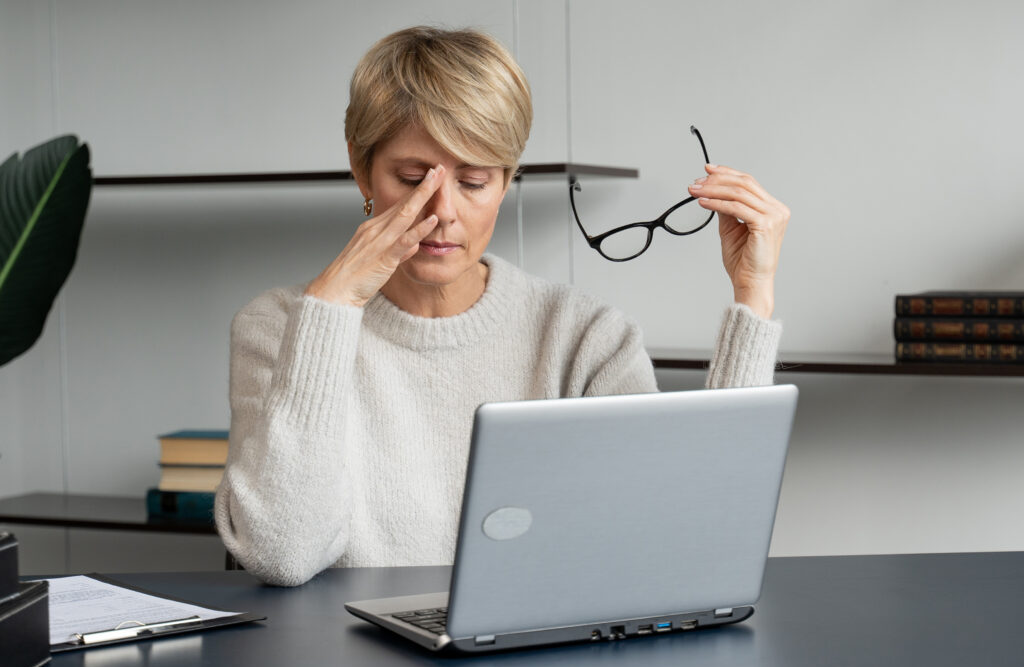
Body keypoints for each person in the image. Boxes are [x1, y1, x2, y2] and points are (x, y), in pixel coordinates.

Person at [214, 26, 790, 587]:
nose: (442, 212)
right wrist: (332, 307)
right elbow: (283, 553)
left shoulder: (586, 336)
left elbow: (688, 544)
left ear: (508, 180)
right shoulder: (279, 325)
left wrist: (753, 298)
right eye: (413, 178)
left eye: (474, 181)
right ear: (362, 168)